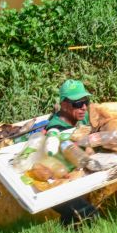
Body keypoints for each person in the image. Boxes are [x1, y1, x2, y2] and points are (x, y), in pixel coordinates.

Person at [44, 79, 97, 225]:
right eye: (78, 104)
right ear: (64, 104)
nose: (84, 107)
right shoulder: (56, 129)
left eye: (86, 101)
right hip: (58, 182)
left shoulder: (80, 116)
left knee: (74, 219)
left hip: (77, 176)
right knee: (89, 215)